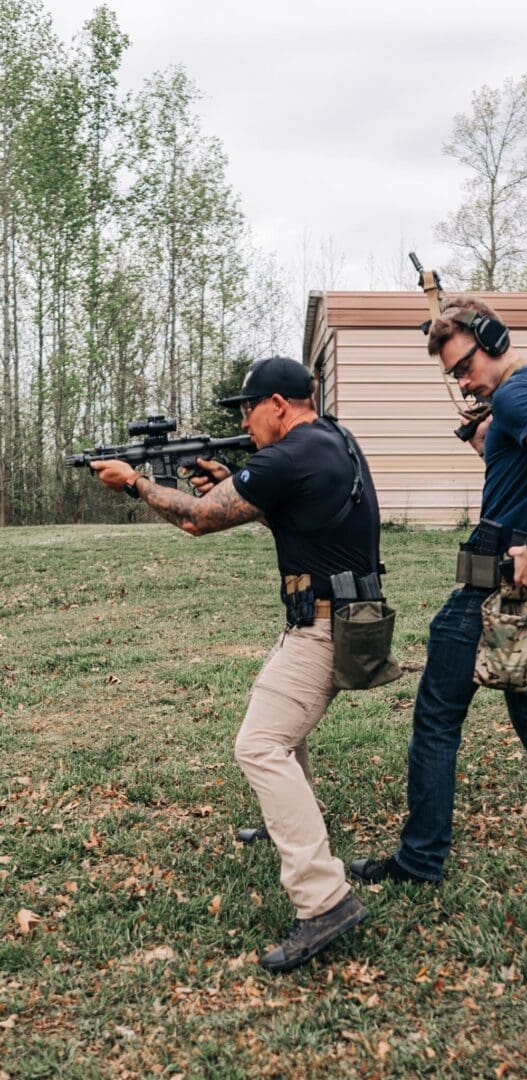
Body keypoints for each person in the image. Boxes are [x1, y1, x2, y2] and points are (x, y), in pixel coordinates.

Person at [92, 356, 379, 971]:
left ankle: (323, 899)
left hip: (323, 627)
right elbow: (302, 508)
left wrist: (137, 484)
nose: (244, 421)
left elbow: (197, 520)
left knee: (259, 745)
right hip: (344, 617)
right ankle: (289, 831)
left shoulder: (287, 456)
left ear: (279, 404)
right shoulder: (335, 440)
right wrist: (233, 479)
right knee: (279, 730)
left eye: (247, 408)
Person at [350, 298, 527, 887]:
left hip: (501, 585)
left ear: (493, 339)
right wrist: (483, 440)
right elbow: (525, 472)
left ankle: (419, 861)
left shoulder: (519, 394)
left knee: (438, 718)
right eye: (453, 375)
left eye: (464, 367)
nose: (462, 381)